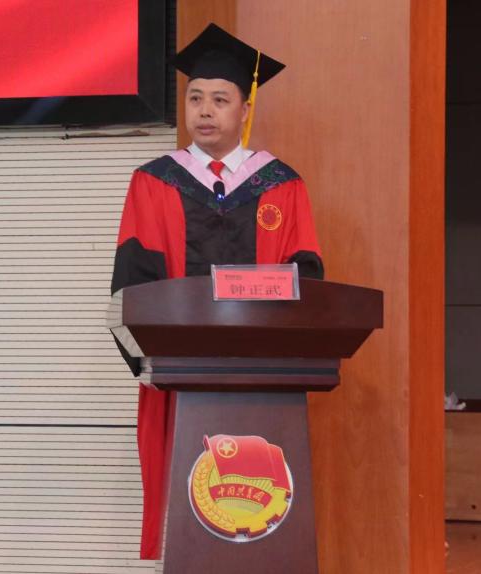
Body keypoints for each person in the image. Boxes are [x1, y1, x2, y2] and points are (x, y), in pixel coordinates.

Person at [109, 23, 324, 560]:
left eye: (221, 99)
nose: (205, 110)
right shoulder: (153, 182)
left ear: (245, 110)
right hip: (179, 379)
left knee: (260, 518)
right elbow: (131, 285)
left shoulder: (282, 185)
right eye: (195, 98)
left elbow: (308, 280)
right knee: (186, 516)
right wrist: (151, 364)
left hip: (264, 380)